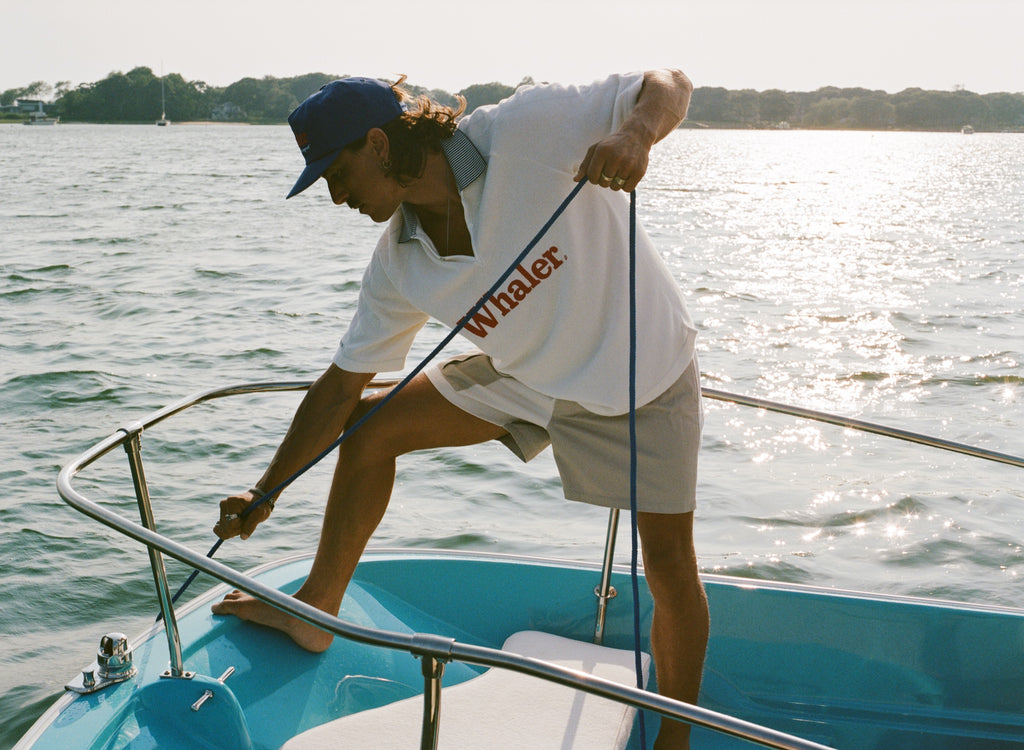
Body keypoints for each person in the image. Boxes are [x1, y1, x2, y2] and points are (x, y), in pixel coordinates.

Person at [212, 70, 708, 749]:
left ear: (380, 144)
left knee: (669, 565)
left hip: (639, 371)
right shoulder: (399, 264)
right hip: (530, 376)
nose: (335, 197)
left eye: (337, 173)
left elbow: (669, 81)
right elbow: (336, 386)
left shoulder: (525, 130)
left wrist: (635, 134)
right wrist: (265, 491)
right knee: (366, 427)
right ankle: (317, 612)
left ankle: (674, 741)